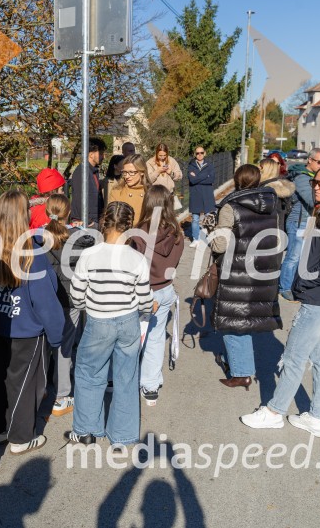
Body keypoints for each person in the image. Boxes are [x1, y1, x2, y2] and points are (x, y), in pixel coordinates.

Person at [241, 163, 320, 437]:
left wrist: (302, 283)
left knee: (293, 358)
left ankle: (274, 412)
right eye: (315, 183)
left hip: (319, 302)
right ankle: (318, 417)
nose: (317, 188)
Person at [66, 202, 155, 449]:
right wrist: (147, 309)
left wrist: (87, 304)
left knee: (88, 374)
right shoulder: (137, 258)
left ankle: (86, 430)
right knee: (127, 377)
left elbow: (76, 296)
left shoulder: (88, 256)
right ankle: (123, 436)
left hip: (98, 321)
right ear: (130, 227)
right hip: (128, 321)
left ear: (103, 222)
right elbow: (145, 298)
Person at [0, 190, 65, 455]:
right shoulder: (32, 251)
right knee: (26, 385)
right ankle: (21, 437)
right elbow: (45, 299)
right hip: (28, 329)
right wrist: (58, 335)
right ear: (24, 214)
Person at [209, 165, 286, 390]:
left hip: (237, 272)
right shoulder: (273, 205)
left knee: (234, 323)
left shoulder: (231, 207)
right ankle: (242, 366)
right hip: (263, 268)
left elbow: (220, 244)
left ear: (236, 180)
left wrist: (212, 233)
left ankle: (242, 373)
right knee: (247, 318)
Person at [34, 194, 94, 417]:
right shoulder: (79, 236)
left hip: (44, 296)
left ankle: (41, 390)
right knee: (65, 346)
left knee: (45, 345)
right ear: (68, 212)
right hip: (70, 297)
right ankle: (61, 394)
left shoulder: (36, 236)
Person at [131, 186, 184, 406]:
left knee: (133, 338)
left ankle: (126, 380)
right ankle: (151, 385)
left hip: (143, 290)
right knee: (156, 337)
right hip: (166, 289)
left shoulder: (138, 233)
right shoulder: (177, 232)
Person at [279, 148, 320, 301]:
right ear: (310, 160)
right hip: (298, 222)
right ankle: (285, 287)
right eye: (319, 161)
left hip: (309, 222)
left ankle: (295, 285)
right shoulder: (302, 178)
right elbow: (312, 200)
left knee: (303, 258)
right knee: (293, 256)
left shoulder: (316, 176)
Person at [69, 137, 106, 227]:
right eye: (100, 153)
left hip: (92, 220)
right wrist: (88, 221)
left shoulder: (93, 171)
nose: (103, 157)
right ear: (91, 154)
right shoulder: (82, 172)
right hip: (85, 222)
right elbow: (79, 198)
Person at [107, 154, 149, 225]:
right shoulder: (117, 191)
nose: (127, 176)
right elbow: (110, 218)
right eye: (125, 172)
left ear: (142, 172)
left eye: (131, 172)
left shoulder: (150, 192)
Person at [188, 146, 216, 248]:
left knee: (209, 218)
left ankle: (210, 238)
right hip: (195, 195)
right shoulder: (191, 165)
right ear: (195, 154)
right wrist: (205, 175)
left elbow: (211, 179)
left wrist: (197, 176)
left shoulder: (210, 165)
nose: (199, 155)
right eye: (197, 153)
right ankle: (196, 239)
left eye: (201, 153)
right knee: (195, 219)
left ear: (205, 153)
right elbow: (192, 180)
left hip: (207, 195)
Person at [258, 158, 296, 230]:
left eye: (259, 168)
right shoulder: (280, 187)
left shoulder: (267, 190)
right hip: (279, 229)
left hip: (268, 231)